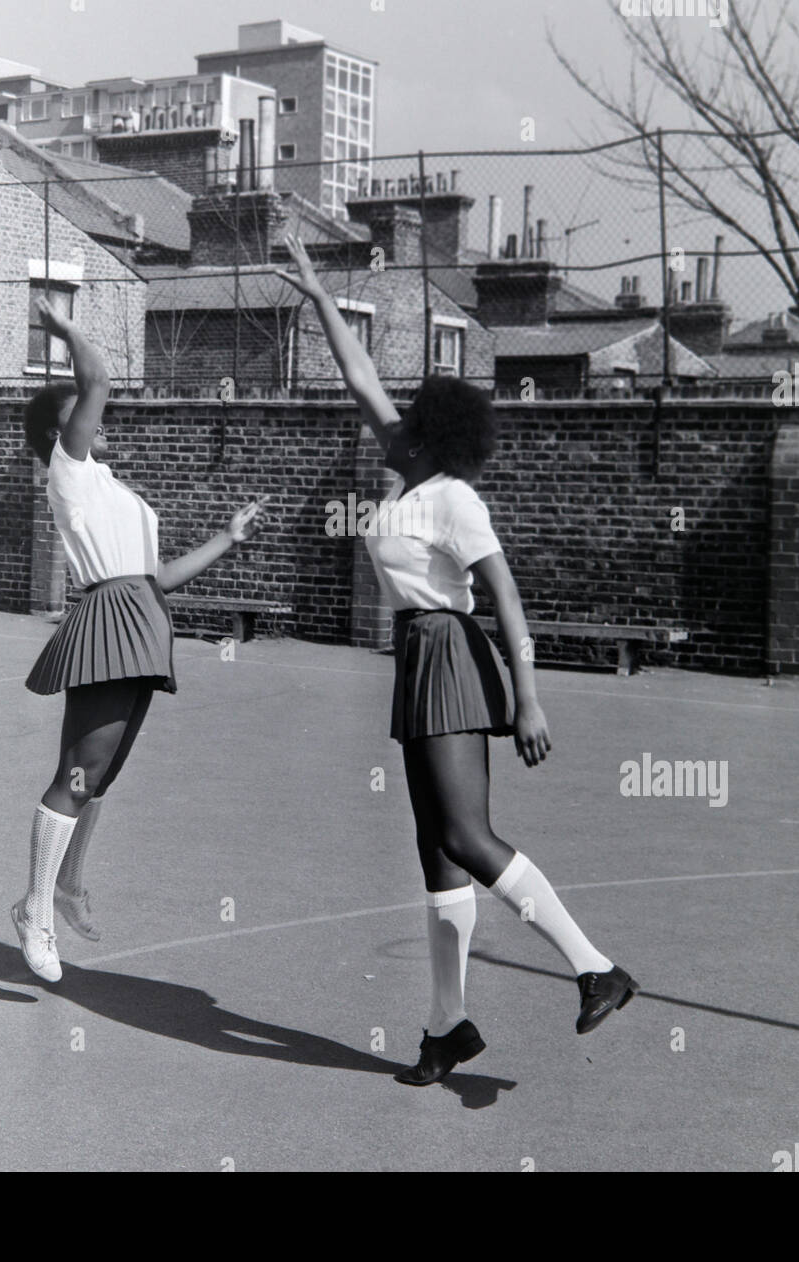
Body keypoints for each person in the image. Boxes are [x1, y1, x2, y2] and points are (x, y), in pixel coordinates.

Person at [277, 234, 637, 1086]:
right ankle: (446, 1026)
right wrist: (321, 298)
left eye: (409, 417)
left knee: (467, 837)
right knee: (435, 849)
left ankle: (596, 968)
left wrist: (530, 699)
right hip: (417, 656)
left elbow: (505, 597)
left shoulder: (453, 499)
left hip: (451, 653)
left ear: (432, 439)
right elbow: (360, 376)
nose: (389, 420)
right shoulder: (407, 474)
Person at [13, 299, 262, 983]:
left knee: (102, 775)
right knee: (78, 772)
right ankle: (35, 912)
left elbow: (155, 577)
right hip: (111, 622)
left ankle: (64, 886)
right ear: (59, 431)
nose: (93, 413)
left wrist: (226, 539)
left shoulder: (109, 487)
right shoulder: (68, 474)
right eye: (77, 410)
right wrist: (65, 333)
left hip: (143, 616)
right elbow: (98, 381)